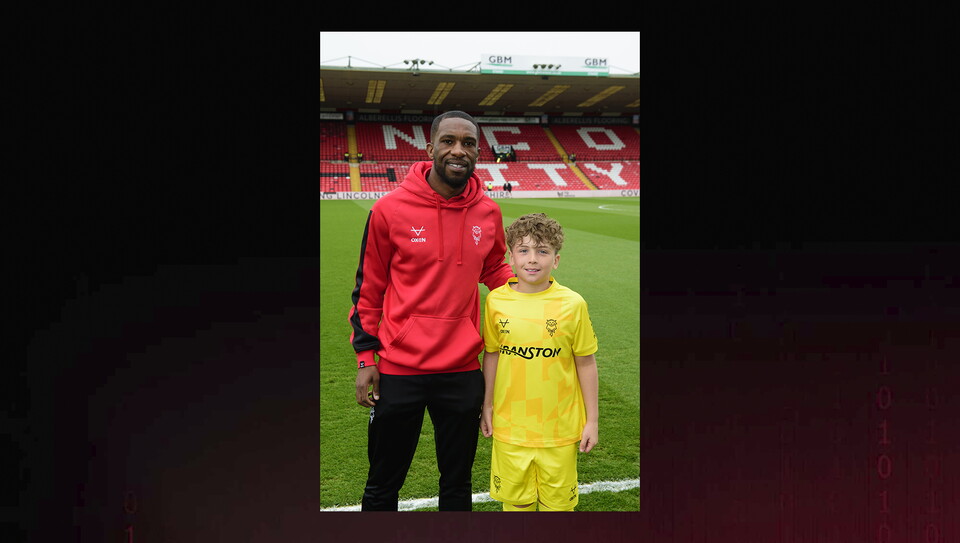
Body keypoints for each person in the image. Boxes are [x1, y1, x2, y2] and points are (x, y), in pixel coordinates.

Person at [349, 110, 515, 511]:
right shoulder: (389, 209)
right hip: (398, 369)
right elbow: (369, 290)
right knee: (382, 486)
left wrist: (537, 293)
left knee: (457, 486)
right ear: (431, 148)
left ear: (478, 151)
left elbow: (494, 269)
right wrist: (365, 357)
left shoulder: (488, 212)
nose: (458, 151)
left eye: (469, 143)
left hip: (461, 371)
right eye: (449, 141)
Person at [480, 213, 600, 512]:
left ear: (555, 260)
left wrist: (593, 421)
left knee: (557, 510)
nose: (532, 260)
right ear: (511, 256)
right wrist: (486, 405)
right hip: (510, 429)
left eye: (542, 251)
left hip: (559, 430)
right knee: (515, 507)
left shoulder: (573, 304)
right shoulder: (496, 301)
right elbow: (491, 354)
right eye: (524, 250)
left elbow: (585, 363)